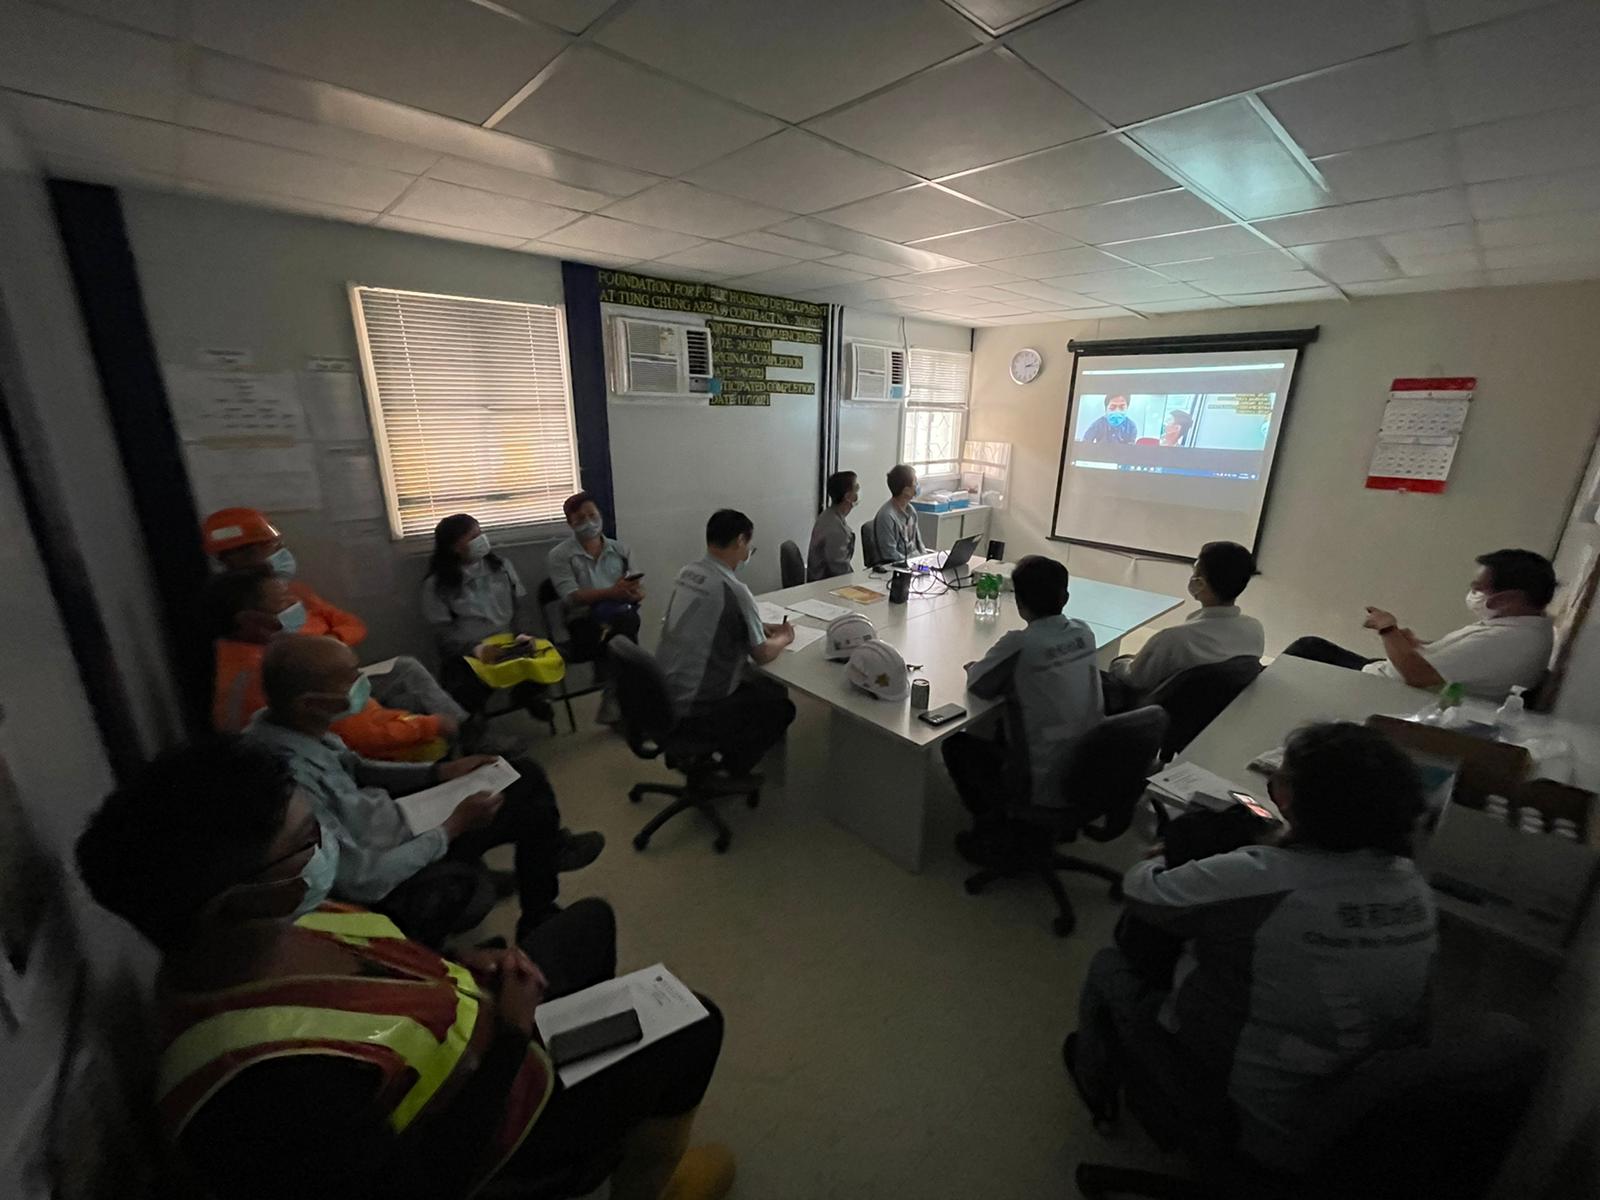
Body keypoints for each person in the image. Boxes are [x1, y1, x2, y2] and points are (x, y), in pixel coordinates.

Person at [75, 736, 733, 1200]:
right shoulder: (260, 1087)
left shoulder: (278, 921)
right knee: (699, 1020)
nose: (328, 847)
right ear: (231, 902)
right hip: (496, 1114)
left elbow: (383, 966)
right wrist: (508, 1038)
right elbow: (423, 1184)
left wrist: (461, 963)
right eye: (307, 840)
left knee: (592, 920)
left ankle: (612, 1109)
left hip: (482, 1027)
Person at [1065, 721, 1435, 1174]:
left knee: (1109, 965)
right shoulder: (1414, 888)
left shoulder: (1263, 878)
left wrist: (1162, 854)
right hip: (1350, 1097)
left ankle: (1095, 1085)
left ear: (1305, 803)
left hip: (1252, 1103)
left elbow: (1141, 892)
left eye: (1282, 780)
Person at [246, 635, 602, 941]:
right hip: (393, 859)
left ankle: (543, 886)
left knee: (521, 774)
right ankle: (543, 881)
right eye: (350, 679)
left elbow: (356, 768)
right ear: (309, 703)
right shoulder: (290, 781)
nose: (362, 683)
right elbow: (361, 879)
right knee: (528, 803)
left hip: (393, 818)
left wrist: (440, 772)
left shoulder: (293, 726)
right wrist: (452, 828)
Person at [203, 507, 469, 740]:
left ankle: (464, 730)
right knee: (405, 701)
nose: (281, 554)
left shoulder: (293, 592)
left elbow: (353, 625)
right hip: (329, 688)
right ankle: (461, 734)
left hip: (337, 672)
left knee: (405, 673)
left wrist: (328, 644)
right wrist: (431, 726)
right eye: (271, 548)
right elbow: (351, 729)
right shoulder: (264, 663)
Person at [942, 556, 1103, 858]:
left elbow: (979, 685)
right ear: (1065, 597)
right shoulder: (1084, 632)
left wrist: (976, 667)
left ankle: (993, 832)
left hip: (1043, 775)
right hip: (1090, 764)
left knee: (956, 744)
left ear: (1018, 601)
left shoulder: (1022, 644)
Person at [209, 567, 456, 759]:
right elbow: (358, 736)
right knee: (438, 738)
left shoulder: (245, 654)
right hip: (353, 752)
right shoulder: (271, 672)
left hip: (352, 716)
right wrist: (432, 725)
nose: (296, 608)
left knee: (406, 686)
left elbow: (353, 625)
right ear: (249, 620)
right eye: (284, 604)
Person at [1283, 548, 1556, 698]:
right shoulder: (1520, 626)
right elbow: (1457, 660)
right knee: (1312, 648)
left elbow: (1417, 675)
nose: (1473, 594)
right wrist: (1414, 644)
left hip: (1392, 690)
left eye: (1479, 588)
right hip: (1399, 676)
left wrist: (1388, 629)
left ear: (1509, 597)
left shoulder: (1509, 641)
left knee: (1307, 651)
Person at [656, 509, 797, 778]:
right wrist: (784, 637)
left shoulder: (688, 573)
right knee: (780, 706)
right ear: (741, 541)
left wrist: (756, 626)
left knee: (762, 687)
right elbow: (763, 654)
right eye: (748, 546)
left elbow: (702, 621)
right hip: (699, 705)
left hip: (665, 692)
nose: (747, 554)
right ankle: (731, 770)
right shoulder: (734, 590)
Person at [421, 513, 556, 727]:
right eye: (472, 537)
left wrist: (523, 634)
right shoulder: (437, 585)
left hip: (510, 642)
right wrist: (478, 650)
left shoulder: (501, 567)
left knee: (546, 657)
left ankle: (528, 696)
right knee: (463, 684)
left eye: (480, 533)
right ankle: (475, 729)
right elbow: (443, 635)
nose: (481, 540)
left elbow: (520, 609)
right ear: (455, 547)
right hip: (470, 651)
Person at [1103, 541, 1264, 707]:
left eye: (1195, 572)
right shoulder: (1254, 629)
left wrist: (1119, 662)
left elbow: (1134, 679)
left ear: (1200, 584)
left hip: (1153, 715)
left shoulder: (1175, 639)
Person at [546, 493, 644, 723]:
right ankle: (620, 703)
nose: (589, 522)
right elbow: (571, 598)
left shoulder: (620, 550)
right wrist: (612, 593)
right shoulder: (560, 555)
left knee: (624, 627)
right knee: (627, 640)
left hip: (618, 615)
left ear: (601, 515)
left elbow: (638, 589)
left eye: (592, 515)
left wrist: (636, 593)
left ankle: (618, 702)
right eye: (580, 519)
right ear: (570, 524)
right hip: (582, 620)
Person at [807, 470, 860, 581]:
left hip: (824, 583)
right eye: (856, 488)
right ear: (848, 496)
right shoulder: (835, 527)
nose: (858, 492)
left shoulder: (830, 516)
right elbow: (840, 572)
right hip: (826, 587)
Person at [871, 464, 927, 565]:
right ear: (905, 490)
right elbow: (890, 555)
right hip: (897, 568)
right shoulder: (887, 516)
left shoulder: (911, 511)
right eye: (915, 483)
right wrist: (913, 563)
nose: (918, 486)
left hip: (914, 564)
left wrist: (926, 560)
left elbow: (919, 544)